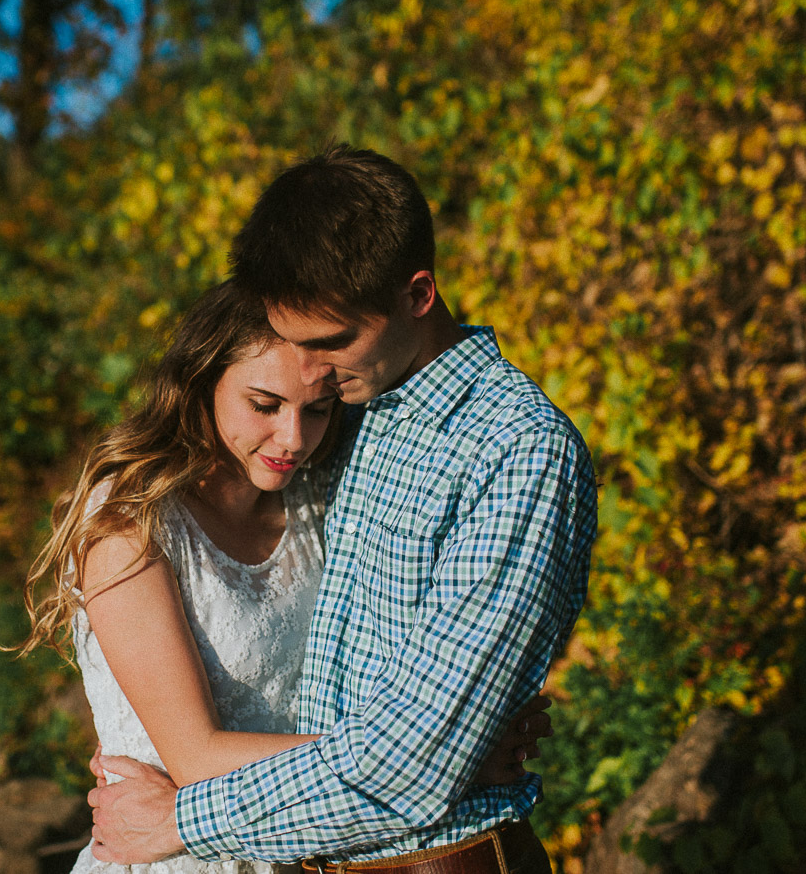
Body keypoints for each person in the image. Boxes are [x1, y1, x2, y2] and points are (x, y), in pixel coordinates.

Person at [87, 146, 598, 874]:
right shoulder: (360, 414)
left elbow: (416, 762)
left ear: (418, 295)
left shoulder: (517, 453)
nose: (314, 374)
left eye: (330, 344)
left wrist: (181, 819)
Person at [15, 281, 551, 874]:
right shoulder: (129, 524)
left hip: (297, 851)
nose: (293, 438)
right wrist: (438, 755)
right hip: (165, 853)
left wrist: (455, 727)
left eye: (317, 410)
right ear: (203, 380)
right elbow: (197, 756)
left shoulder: (319, 503)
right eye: (264, 405)